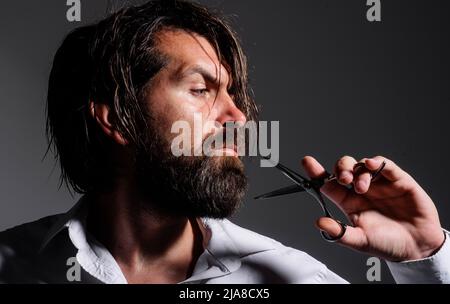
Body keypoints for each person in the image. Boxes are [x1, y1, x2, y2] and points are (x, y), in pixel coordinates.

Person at [0, 0, 448, 284]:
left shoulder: (291, 277)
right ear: (117, 119)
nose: (238, 117)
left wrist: (422, 262)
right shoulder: (12, 266)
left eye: (233, 95)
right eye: (200, 90)